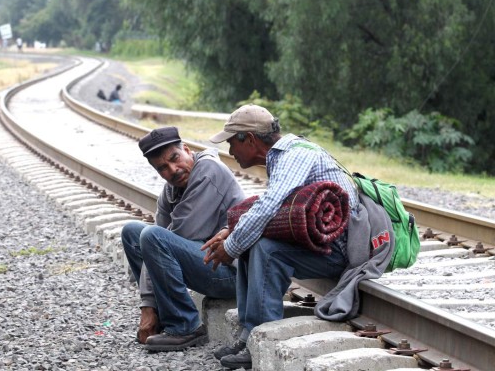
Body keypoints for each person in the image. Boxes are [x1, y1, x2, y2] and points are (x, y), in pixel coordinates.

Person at [202, 104, 394, 369]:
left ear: (251, 139)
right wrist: (233, 232)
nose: (230, 150)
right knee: (253, 241)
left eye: (232, 142)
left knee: (265, 249)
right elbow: (274, 209)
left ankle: (260, 336)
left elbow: (269, 206)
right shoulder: (284, 155)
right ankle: (248, 335)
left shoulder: (294, 156)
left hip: (341, 249)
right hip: (326, 241)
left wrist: (231, 246)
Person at [121, 126, 246, 352]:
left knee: (152, 237)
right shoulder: (171, 191)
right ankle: (163, 314)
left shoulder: (208, 171)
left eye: (175, 158)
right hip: (207, 262)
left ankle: (185, 325)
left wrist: (146, 307)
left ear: (187, 150)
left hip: (233, 273)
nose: (173, 170)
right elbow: (156, 243)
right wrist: (149, 304)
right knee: (132, 232)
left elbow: (165, 239)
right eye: (163, 168)